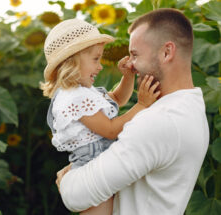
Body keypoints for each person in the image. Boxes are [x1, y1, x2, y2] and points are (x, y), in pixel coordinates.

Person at [55, 8, 209, 215]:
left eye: (135, 55)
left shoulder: (160, 121)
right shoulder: (190, 107)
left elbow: (77, 196)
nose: (130, 65)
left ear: (166, 52)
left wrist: (66, 179)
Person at [40, 19, 160, 215]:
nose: (101, 66)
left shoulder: (80, 90)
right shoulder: (74, 97)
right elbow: (111, 130)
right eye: (96, 59)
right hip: (91, 164)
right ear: (72, 61)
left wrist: (127, 77)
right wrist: (142, 105)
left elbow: (116, 99)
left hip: (97, 158)